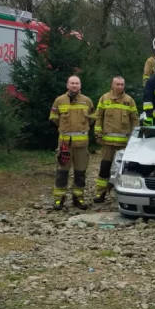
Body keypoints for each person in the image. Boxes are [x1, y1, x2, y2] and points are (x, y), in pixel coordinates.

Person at [49, 75, 95, 210]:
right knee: (62, 172)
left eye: (77, 83)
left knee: (80, 172)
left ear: (80, 86)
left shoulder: (87, 101)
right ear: (67, 85)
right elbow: (53, 118)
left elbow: (92, 119)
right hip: (64, 144)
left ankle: (78, 199)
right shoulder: (59, 100)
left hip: (81, 145)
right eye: (72, 83)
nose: (75, 85)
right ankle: (59, 199)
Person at [93, 76, 140, 203]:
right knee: (105, 167)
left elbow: (135, 120)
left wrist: (135, 138)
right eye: (117, 84)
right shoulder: (104, 98)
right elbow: (98, 118)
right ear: (112, 85)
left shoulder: (129, 100)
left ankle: (123, 193)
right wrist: (98, 133)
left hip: (124, 144)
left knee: (124, 169)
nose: (120, 87)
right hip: (107, 142)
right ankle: (100, 193)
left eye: (122, 84)